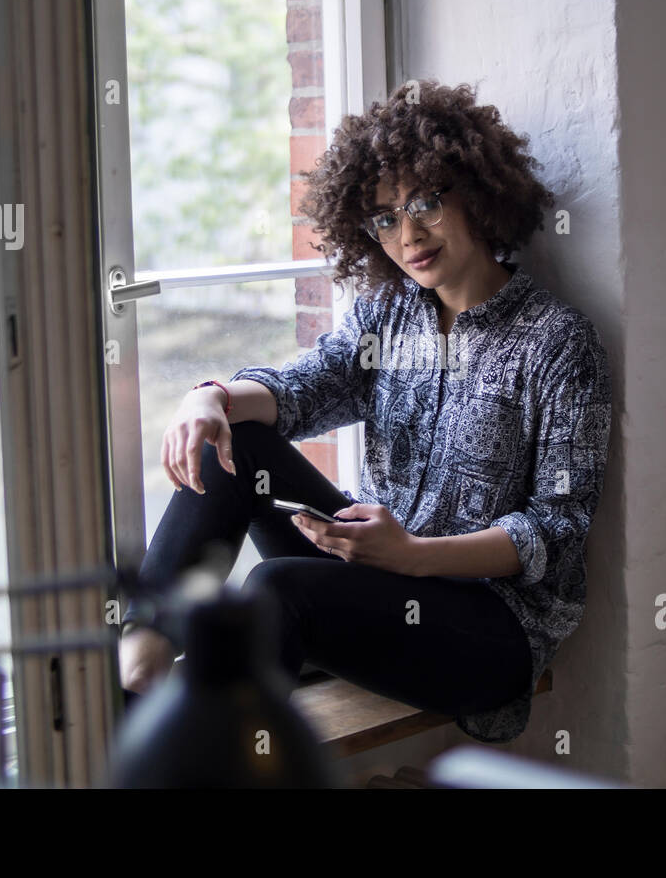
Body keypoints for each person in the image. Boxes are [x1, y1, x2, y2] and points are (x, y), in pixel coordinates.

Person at [118, 79, 612, 744]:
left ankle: (178, 748)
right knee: (232, 437)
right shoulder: (390, 313)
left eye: (426, 203)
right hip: (375, 576)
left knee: (275, 590)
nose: (407, 235)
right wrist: (209, 396)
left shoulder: (556, 341)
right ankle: (142, 654)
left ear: (477, 189)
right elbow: (305, 388)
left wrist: (413, 554)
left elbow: (556, 532)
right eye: (384, 218)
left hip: (490, 625)